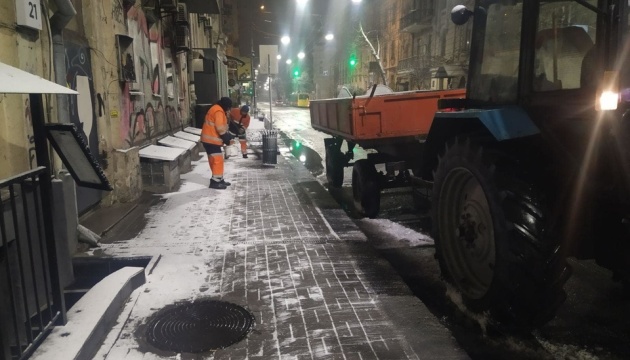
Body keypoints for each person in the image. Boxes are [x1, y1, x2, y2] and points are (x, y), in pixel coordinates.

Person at [201, 97, 233, 189]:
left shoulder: (216, 108)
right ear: (226, 106)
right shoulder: (218, 111)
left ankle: (219, 179)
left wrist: (226, 135)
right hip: (211, 140)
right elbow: (220, 127)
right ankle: (215, 182)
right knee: (217, 160)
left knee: (216, 160)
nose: (229, 109)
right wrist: (226, 138)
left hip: (210, 140)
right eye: (229, 107)